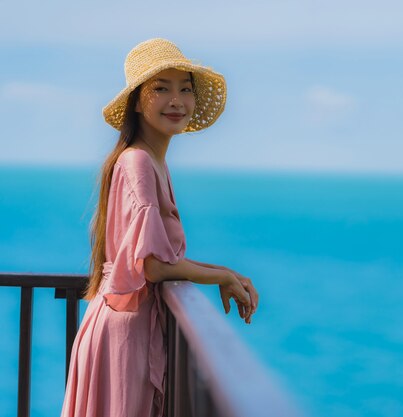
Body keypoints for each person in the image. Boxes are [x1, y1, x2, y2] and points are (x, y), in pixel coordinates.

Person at [60, 38, 259, 417]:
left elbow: (158, 257)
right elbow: (151, 266)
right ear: (137, 100)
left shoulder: (148, 161)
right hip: (125, 335)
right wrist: (219, 278)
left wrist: (226, 272)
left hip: (123, 327)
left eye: (185, 89)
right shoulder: (138, 163)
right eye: (161, 88)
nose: (177, 100)